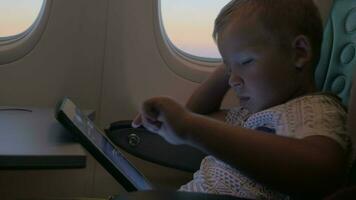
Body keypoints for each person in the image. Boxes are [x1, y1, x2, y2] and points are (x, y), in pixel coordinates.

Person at [132, 0, 353, 199]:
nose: (232, 81)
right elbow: (199, 115)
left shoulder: (314, 110)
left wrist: (190, 127)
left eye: (246, 61)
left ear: (299, 53)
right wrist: (231, 63)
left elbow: (321, 171)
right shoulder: (251, 115)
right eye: (228, 69)